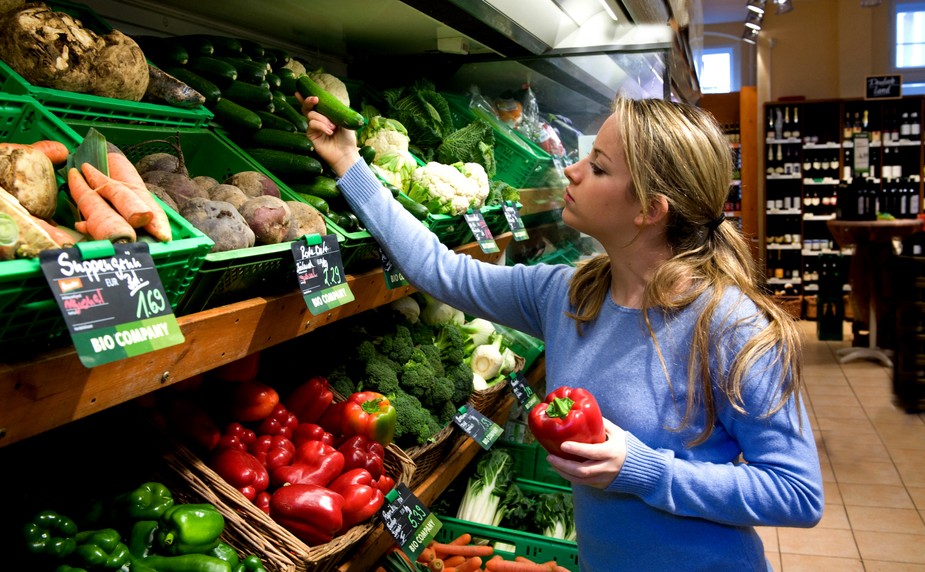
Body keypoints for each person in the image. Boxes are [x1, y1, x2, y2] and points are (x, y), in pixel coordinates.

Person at [300, 94, 824, 571]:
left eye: (597, 166)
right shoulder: (568, 295)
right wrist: (350, 165)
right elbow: (439, 269)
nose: (571, 171)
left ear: (650, 210)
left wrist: (645, 470)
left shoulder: (728, 325)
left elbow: (798, 493)